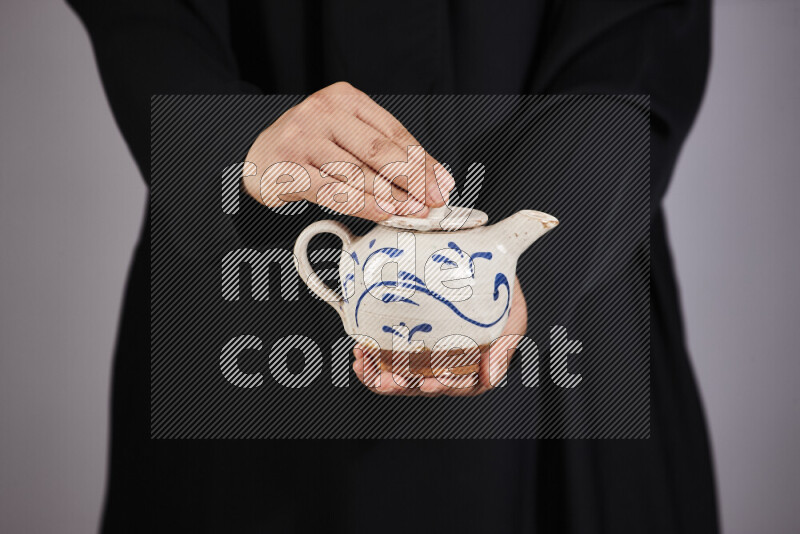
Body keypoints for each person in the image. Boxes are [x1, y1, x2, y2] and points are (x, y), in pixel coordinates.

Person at [67, 0, 718, 532]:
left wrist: (535, 261)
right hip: (240, 297)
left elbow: (640, 38)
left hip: (575, 311)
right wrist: (232, 138)